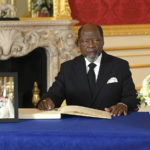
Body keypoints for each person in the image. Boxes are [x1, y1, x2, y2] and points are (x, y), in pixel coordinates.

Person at [38, 23, 139, 116]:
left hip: (111, 123)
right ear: (79, 44)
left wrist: (123, 105)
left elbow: (132, 98)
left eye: (96, 40)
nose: (91, 45)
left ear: (103, 41)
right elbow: (54, 95)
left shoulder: (120, 66)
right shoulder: (68, 68)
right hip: (77, 126)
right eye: (86, 41)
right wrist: (47, 102)